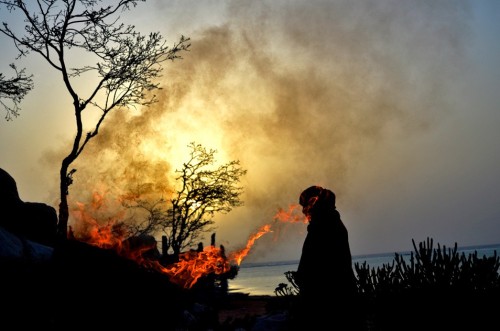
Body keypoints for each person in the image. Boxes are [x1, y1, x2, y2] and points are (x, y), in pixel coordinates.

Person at [292, 185, 360, 330]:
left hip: (328, 301)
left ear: (314, 204)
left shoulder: (323, 226)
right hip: (338, 297)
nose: (304, 211)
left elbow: (315, 263)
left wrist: (303, 278)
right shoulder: (331, 223)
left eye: (305, 206)